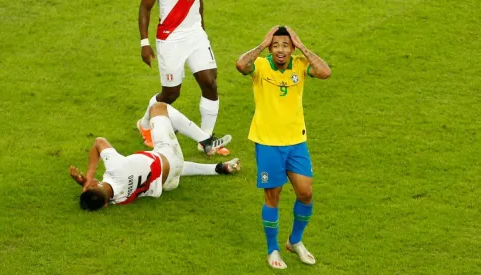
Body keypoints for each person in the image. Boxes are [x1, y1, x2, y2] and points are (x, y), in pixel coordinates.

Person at [235, 26, 331, 269]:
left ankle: (294, 241)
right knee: (273, 196)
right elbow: (240, 65)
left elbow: (325, 72)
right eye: (276, 45)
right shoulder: (260, 65)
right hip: (268, 143)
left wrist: (303, 47)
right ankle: (272, 250)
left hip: (296, 142)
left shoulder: (299, 64)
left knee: (306, 193)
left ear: (292, 48)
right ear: (270, 47)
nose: (280, 50)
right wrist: (261, 43)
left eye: (285, 45)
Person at [71, 102, 239, 211]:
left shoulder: (118, 200)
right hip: (168, 156)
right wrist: (90, 175)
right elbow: (99, 142)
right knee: (158, 107)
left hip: (167, 183)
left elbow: (105, 191)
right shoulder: (115, 168)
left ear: (106, 204)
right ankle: (205, 141)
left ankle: (219, 168)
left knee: (171, 167)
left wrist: (84, 181)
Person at [137, 0, 229, 156]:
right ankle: (145, 124)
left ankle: (206, 140)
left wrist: (202, 29)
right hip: (170, 40)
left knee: (210, 83)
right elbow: (145, 8)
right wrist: (144, 43)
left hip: (196, 35)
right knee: (171, 93)